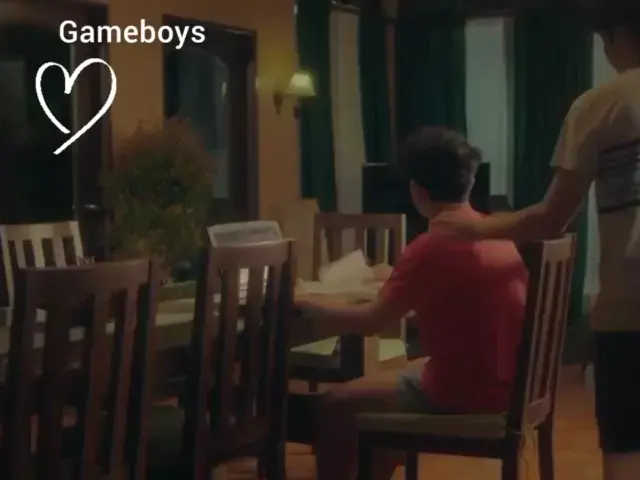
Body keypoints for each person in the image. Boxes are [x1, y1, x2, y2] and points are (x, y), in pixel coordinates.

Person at [439, 8, 640, 480]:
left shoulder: (602, 104)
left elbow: (550, 218)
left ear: (618, 35)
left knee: (628, 452)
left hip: (631, 310)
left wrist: (473, 228)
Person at [297, 127, 529, 480]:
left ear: (416, 190)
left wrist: (308, 305)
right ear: (469, 181)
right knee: (394, 377)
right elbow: (463, 308)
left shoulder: (431, 245)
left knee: (333, 405)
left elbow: (373, 321)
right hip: (509, 383)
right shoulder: (495, 232)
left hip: (469, 392)